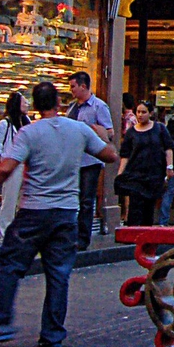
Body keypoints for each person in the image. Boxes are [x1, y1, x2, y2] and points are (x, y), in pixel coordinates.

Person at [0, 80, 117, 347]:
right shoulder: (78, 130)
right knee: (59, 273)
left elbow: (5, 167)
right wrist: (99, 133)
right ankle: (53, 333)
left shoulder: (29, 133)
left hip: (34, 210)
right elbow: (110, 155)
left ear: (35, 106)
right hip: (67, 211)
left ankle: (1, 321)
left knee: (10, 265)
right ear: (59, 103)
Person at [68, 71, 115, 249]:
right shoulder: (72, 108)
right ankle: (71, 235)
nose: (71, 90)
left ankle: (82, 238)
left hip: (90, 160)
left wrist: (92, 129)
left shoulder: (98, 106)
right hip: (73, 159)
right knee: (73, 198)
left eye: (73, 86)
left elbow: (109, 133)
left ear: (83, 86)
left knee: (87, 200)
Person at [117, 102, 174, 228]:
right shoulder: (131, 132)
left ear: (150, 113)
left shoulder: (159, 129)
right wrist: (120, 173)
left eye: (143, 112)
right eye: (138, 112)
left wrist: (169, 167)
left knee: (149, 207)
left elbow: (168, 148)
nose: (140, 115)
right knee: (135, 205)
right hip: (135, 174)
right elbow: (125, 154)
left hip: (154, 174)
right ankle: (133, 235)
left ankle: (146, 235)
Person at [0, 93, 30, 243]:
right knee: (9, 202)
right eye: (24, 102)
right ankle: (5, 235)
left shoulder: (26, 121)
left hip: (25, 166)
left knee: (22, 202)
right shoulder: (5, 124)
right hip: (12, 167)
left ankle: (18, 233)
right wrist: (4, 163)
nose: (27, 104)